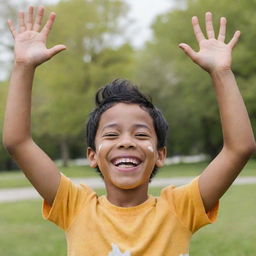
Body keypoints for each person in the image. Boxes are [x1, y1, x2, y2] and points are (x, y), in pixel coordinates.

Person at [2, 6, 255, 256]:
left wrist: (222, 73)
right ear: (92, 155)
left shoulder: (181, 208)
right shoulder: (74, 206)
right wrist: (23, 66)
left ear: (160, 154)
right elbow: (18, 142)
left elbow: (239, 148)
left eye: (141, 134)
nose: (126, 142)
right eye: (112, 134)